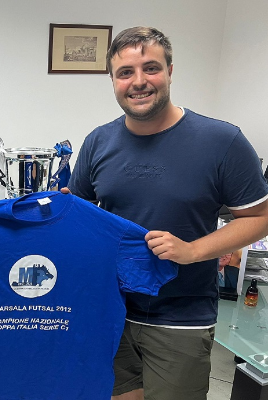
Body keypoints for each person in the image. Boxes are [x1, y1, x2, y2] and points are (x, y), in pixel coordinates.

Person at [66, 27, 268, 400]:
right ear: (113, 81)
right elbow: (79, 213)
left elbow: (260, 217)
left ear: (170, 71)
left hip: (181, 318)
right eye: (125, 72)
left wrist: (193, 250)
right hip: (110, 309)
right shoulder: (98, 141)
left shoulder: (222, 141)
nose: (139, 82)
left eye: (151, 68)